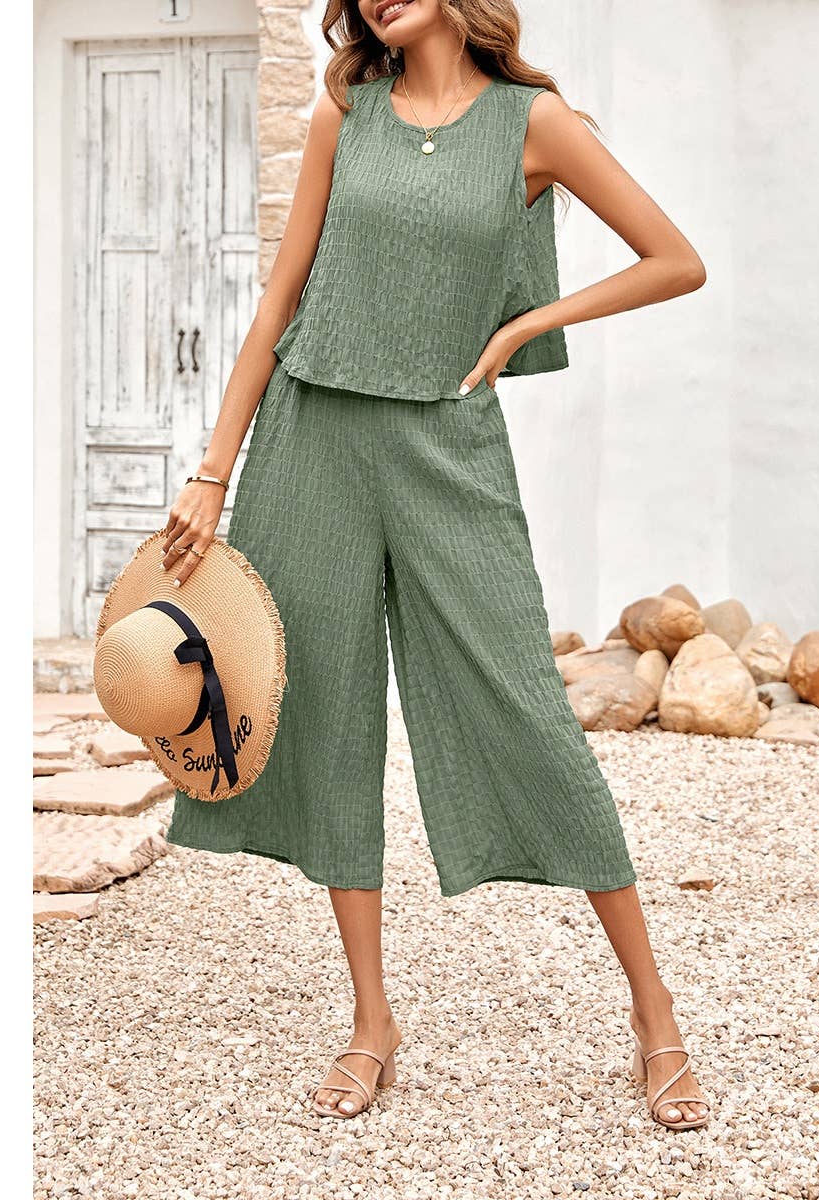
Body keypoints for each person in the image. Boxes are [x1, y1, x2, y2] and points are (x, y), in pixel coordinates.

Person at [158, 0, 710, 1129]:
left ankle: (656, 1019)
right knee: (325, 716)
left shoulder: (535, 124)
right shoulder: (343, 108)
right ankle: (371, 1022)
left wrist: (517, 330)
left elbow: (675, 260)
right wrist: (213, 471)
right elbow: (283, 296)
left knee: (526, 711)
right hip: (313, 437)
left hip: (446, 442)